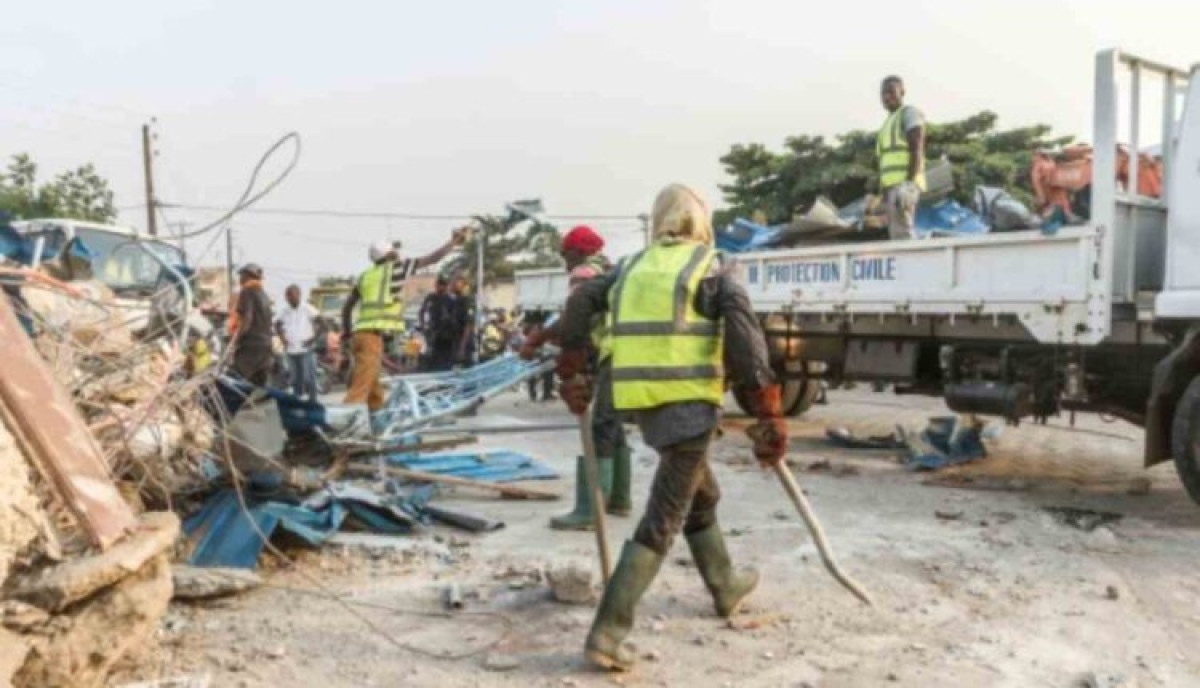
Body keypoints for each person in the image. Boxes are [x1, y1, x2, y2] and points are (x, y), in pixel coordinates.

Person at [554, 185, 789, 671]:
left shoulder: (629, 267)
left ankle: (725, 584)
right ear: (701, 222)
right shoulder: (712, 268)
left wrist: (573, 368)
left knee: (701, 493)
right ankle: (608, 632)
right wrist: (767, 410)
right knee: (663, 518)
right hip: (688, 407)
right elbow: (746, 342)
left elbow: (579, 306)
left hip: (641, 404)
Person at [521, 224, 630, 530]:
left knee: (600, 427)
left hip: (609, 353)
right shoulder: (610, 269)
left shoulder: (583, 274)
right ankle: (619, 499)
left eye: (565, 253)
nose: (564, 260)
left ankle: (589, 511)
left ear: (579, 251)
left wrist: (538, 339)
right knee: (614, 424)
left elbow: (574, 317)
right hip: (623, 352)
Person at [342, 230, 465, 410]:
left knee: (374, 388)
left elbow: (347, 307)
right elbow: (432, 259)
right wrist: (453, 243)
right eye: (394, 252)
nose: (398, 254)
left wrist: (346, 332)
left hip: (360, 335)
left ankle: (376, 420)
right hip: (371, 337)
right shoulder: (396, 269)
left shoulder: (365, 276)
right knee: (360, 388)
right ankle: (342, 421)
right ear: (389, 254)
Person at [877, 75, 926, 240]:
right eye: (883, 93)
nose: (886, 97)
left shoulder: (909, 113)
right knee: (897, 234)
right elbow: (885, 163)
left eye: (891, 92)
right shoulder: (888, 121)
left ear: (902, 91)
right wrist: (884, 194)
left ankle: (913, 264)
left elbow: (917, 148)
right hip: (891, 188)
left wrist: (910, 185)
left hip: (903, 186)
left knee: (903, 233)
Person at [229, 264, 275, 386]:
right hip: (266, 346)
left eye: (241, 276)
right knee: (259, 385)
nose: (240, 279)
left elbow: (247, 318)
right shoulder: (264, 294)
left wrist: (236, 339)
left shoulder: (247, 291)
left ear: (247, 276)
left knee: (236, 379)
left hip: (251, 346)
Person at [275, 284, 320, 400]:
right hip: (291, 350)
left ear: (299, 295)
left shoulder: (307, 308)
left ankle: (313, 401)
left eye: (293, 295)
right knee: (295, 379)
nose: (291, 298)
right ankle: (298, 401)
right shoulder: (284, 311)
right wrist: (282, 338)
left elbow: (322, 323)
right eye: (288, 296)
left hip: (306, 349)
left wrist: (312, 339)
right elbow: (277, 324)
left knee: (308, 378)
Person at [419, 275, 457, 371]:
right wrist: (423, 327)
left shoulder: (450, 300)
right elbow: (422, 312)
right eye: (438, 284)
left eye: (442, 285)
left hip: (446, 335)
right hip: (432, 332)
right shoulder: (431, 297)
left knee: (445, 360)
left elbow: (454, 318)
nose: (439, 287)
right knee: (431, 358)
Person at [449, 274, 476, 366]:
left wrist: (462, 348)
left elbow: (468, 325)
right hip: (455, 343)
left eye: (456, 282)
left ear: (464, 284)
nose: (452, 284)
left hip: (464, 345)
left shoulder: (466, 301)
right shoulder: (455, 301)